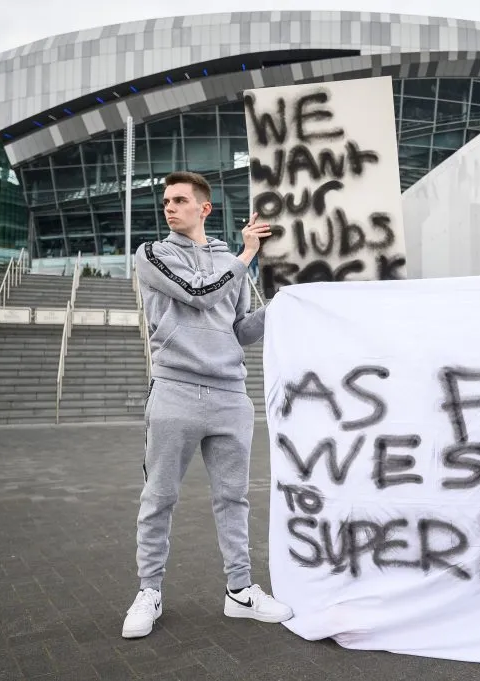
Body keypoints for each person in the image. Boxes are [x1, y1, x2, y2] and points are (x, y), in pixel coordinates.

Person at [122, 171, 292, 639]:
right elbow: (200, 296)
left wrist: (281, 308)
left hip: (230, 396)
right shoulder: (152, 254)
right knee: (159, 497)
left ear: (204, 208)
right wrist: (247, 256)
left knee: (234, 498)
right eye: (166, 201)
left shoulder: (226, 259)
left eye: (179, 200)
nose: (169, 208)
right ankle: (149, 591)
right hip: (175, 389)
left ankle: (240, 591)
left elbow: (238, 330)